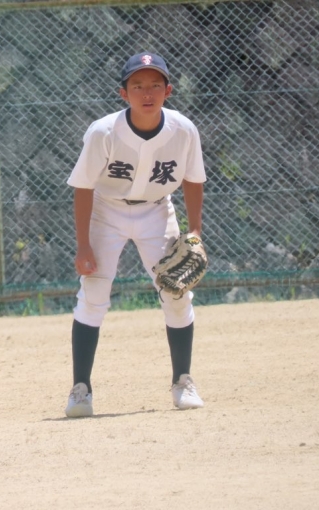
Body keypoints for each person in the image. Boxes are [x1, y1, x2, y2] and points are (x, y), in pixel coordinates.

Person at [64, 52, 207, 418]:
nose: (147, 93)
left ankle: (183, 381)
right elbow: (83, 187)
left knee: (176, 291)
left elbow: (193, 178)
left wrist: (194, 231)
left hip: (156, 210)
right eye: (138, 86)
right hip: (106, 210)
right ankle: (81, 390)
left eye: (155, 85)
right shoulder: (103, 132)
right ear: (123, 93)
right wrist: (83, 245)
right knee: (93, 294)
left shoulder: (183, 130)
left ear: (168, 91)